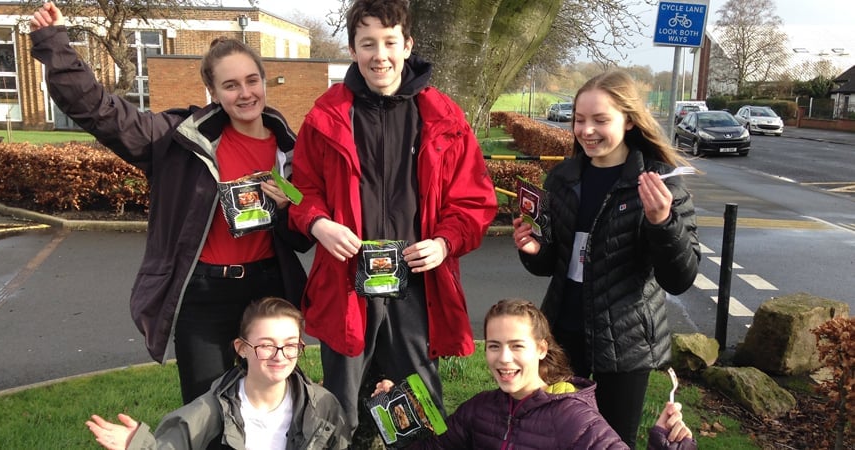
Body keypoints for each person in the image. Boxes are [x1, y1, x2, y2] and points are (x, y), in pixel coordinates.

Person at [29, 2, 311, 406]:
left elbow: (302, 237)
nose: (245, 93)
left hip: (267, 291)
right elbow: (100, 112)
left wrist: (285, 211)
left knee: (270, 403)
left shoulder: (291, 150)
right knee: (206, 407)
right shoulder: (176, 140)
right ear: (213, 92)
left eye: (252, 81)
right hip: (204, 294)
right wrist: (55, 44)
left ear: (265, 82)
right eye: (231, 85)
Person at [287, 0, 498, 439]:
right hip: (347, 286)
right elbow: (298, 190)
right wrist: (319, 224)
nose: (379, 55)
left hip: (417, 289)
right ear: (352, 50)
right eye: (368, 44)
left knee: (420, 411)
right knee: (340, 412)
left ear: (407, 46)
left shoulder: (445, 117)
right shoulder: (325, 116)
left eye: (389, 42)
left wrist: (444, 243)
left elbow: (474, 201)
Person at [512, 70, 701, 447]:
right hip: (562, 334)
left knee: (611, 441)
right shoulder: (563, 178)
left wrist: (662, 222)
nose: (587, 130)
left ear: (629, 120)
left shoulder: (659, 181)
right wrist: (533, 251)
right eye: (580, 119)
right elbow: (550, 264)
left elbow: (679, 278)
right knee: (556, 435)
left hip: (625, 343)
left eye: (600, 120)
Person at [373, 298, 696, 449]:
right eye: (494, 346)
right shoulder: (479, 409)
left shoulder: (573, 417)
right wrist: (398, 413)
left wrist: (666, 446)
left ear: (541, 349)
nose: (504, 359)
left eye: (517, 346)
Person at [85, 297, 349, 450]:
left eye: (290, 345)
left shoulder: (323, 405)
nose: (279, 355)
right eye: (266, 345)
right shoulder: (211, 409)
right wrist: (138, 444)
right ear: (242, 348)